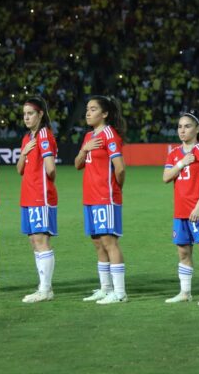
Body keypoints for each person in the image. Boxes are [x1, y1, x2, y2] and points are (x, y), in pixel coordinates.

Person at [162, 110, 199, 306]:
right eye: (179, 126)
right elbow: (165, 177)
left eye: (187, 126)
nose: (182, 130)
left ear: (197, 129)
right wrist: (181, 163)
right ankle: (185, 292)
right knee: (183, 252)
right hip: (180, 211)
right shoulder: (174, 154)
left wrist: (198, 207)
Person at [75, 95, 128, 304]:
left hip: (105, 197)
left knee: (109, 242)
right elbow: (78, 164)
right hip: (89, 197)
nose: (88, 112)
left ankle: (120, 292)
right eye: (87, 109)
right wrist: (84, 149)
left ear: (104, 113)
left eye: (93, 109)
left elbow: (120, 168)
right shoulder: (88, 137)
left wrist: (115, 190)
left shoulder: (109, 135)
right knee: (98, 243)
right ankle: (106, 289)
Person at [16, 96, 58, 303]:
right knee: (34, 241)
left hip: (40, 196)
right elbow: (19, 169)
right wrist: (23, 153)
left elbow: (51, 168)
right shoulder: (27, 138)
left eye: (30, 113)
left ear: (40, 114)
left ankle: (46, 289)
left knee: (41, 240)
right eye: (24, 114)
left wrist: (47, 183)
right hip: (28, 196)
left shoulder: (44, 135)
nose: (26, 117)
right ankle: (43, 285)